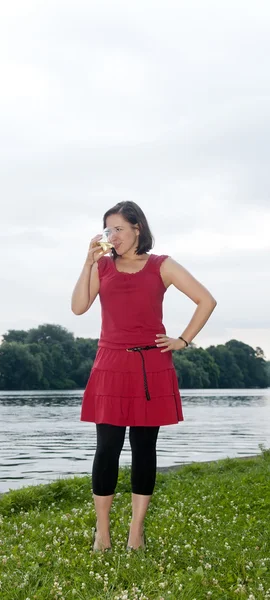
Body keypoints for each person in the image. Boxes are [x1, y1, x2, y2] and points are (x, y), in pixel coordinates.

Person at [71, 201, 217, 552]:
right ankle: (102, 534)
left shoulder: (161, 266)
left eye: (119, 228)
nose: (113, 236)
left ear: (137, 228)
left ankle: (136, 533)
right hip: (109, 364)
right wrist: (88, 262)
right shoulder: (103, 266)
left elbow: (206, 300)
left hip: (149, 366)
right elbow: (78, 306)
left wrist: (182, 340)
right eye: (108, 230)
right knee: (106, 448)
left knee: (144, 448)